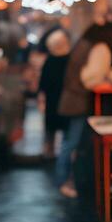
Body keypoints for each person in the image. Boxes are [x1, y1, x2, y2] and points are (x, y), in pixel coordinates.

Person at [55, 14, 112, 198]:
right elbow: (90, 79)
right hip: (79, 100)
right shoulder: (100, 47)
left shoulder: (84, 42)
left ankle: (64, 180)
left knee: (70, 142)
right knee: (73, 142)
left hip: (72, 98)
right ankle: (65, 181)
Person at [37, 27, 71, 159]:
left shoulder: (50, 61)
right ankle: (63, 154)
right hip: (65, 98)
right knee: (65, 128)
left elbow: (43, 82)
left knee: (50, 127)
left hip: (52, 98)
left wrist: (41, 95)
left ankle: (49, 151)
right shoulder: (69, 60)